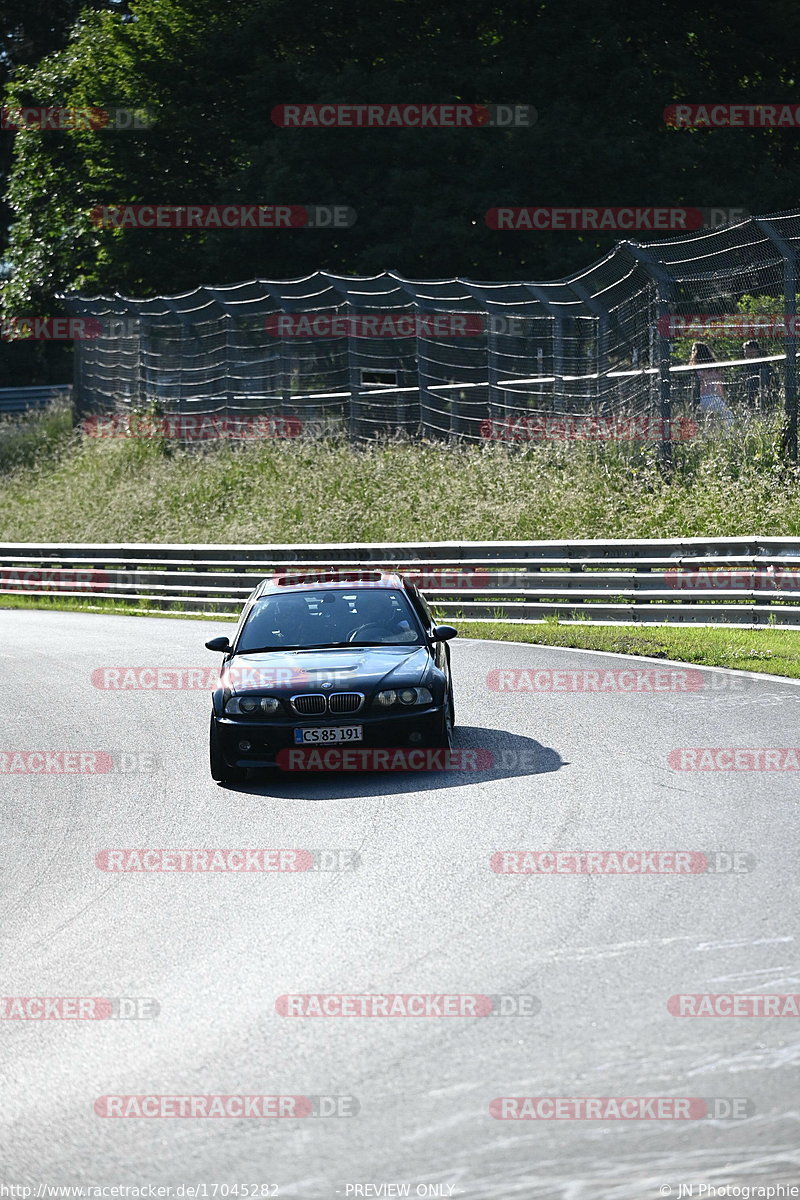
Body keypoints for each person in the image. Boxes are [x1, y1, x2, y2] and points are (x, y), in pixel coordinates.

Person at [688, 342, 734, 425]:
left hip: (700, 398)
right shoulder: (714, 368)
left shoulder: (696, 369)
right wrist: (723, 397)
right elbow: (720, 385)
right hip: (713, 398)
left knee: (703, 420)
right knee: (728, 416)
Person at [742, 340, 772, 412]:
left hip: (761, 392)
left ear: (753, 350)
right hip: (753, 393)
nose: (745, 353)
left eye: (747, 350)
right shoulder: (749, 365)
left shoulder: (760, 364)